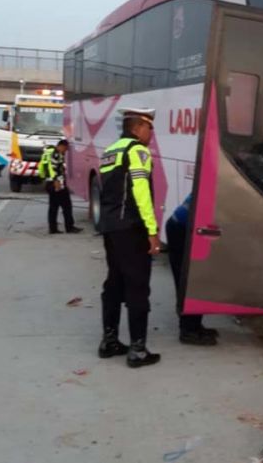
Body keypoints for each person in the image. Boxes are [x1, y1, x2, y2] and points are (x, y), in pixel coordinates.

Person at [97, 108, 161, 368]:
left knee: (114, 282)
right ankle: (138, 349)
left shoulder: (110, 150)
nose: (152, 134)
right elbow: (141, 192)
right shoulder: (138, 151)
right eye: (149, 128)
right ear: (136, 128)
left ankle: (109, 341)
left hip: (110, 227)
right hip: (131, 228)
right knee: (137, 286)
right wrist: (152, 231)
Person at [164, 194, 219, 346]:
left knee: (196, 278)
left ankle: (194, 324)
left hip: (188, 228)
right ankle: (188, 330)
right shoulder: (221, 188)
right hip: (181, 230)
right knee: (189, 280)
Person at [37, 139, 81, 234]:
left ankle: (53, 228)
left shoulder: (48, 152)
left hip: (49, 182)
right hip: (56, 183)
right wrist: (57, 184)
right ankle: (69, 227)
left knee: (53, 206)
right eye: (65, 149)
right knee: (67, 205)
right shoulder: (55, 154)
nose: (65, 151)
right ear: (61, 146)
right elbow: (54, 169)